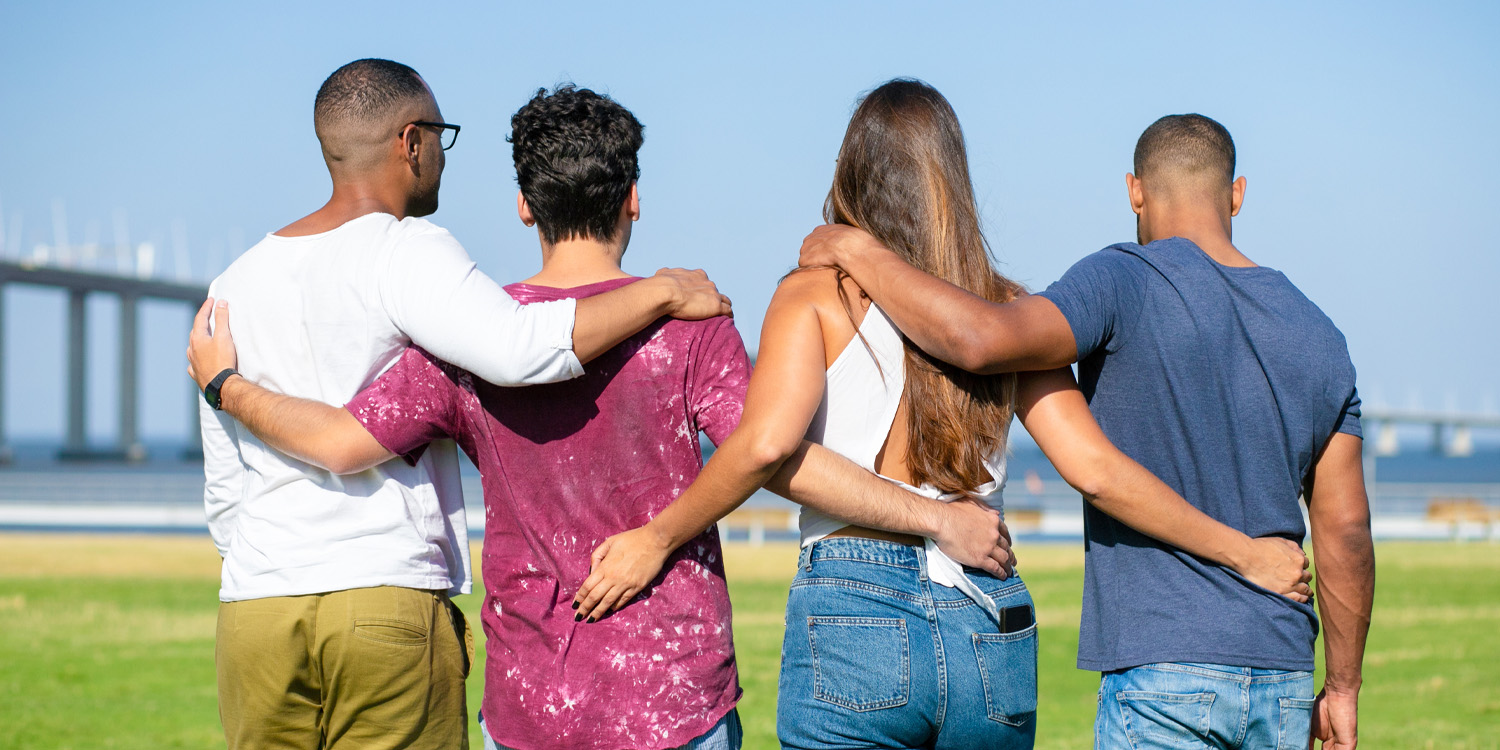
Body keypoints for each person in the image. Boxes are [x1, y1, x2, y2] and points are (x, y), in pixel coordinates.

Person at [188, 84, 1023, 750]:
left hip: (530, 701)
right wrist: (935, 518)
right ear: (633, 199)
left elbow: (337, 443)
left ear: (523, 205)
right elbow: (777, 456)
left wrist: (228, 383)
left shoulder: (466, 341)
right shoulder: (691, 325)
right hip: (677, 693)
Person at [576, 81, 1314, 750]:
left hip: (851, 605)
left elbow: (766, 446)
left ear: (853, 173)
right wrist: (1242, 551)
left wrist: (657, 536)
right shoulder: (1008, 308)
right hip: (988, 617)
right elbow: (1097, 470)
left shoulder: (812, 296)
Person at [193, 60, 733, 750]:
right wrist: (660, 292)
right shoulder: (408, 252)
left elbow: (227, 486)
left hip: (256, 603)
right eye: (442, 140)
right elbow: (518, 348)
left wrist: (227, 393)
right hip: (382, 591)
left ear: (526, 205)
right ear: (410, 141)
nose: (444, 162)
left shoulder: (235, 279)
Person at [798, 112, 1375, 750]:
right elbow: (1346, 530)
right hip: (1284, 671)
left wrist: (856, 248)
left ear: (1135, 190)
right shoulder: (1320, 335)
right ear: (1237, 194)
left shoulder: (1120, 280)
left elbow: (983, 340)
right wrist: (1343, 687)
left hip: (1161, 668)